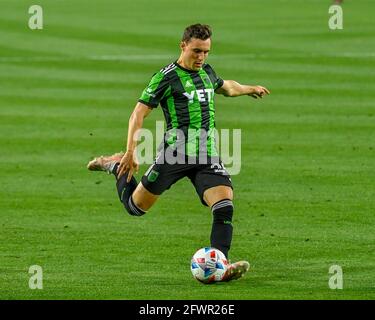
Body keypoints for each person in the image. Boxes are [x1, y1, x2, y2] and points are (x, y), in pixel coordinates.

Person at [88, 24, 270, 282]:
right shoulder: (166, 77)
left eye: (206, 52)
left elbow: (227, 87)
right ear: (183, 46)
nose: (201, 57)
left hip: (207, 155)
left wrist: (250, 88)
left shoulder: (206, 72)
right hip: (174, 155)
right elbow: (138, 113)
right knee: (136, 208)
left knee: (224, 206)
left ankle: (221, 265)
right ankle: (117, 166)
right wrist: (131, 152)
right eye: (196, 51)